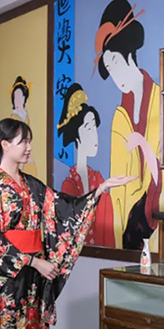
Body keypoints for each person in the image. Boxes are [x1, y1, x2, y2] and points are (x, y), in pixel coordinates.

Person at [0, 118, 134, 329]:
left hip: (35, 276)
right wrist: (33, 262)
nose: (29, 147)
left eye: (30, 141)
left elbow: (65, 208)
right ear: (5, 145)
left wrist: (100, 189)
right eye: (23, 142)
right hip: (9, 276)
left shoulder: (32, 185)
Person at [94, 0, 163, 250]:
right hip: (127, 226)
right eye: (109, 70)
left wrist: (143, 144)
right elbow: (117, 188)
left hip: (155, 216)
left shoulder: (159, 99)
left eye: (114, 63)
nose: (115, 76)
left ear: (129, 53)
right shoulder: (119, 117)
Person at [57, 83, 115, 247]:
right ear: (76, 135)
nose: (95, 135)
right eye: (88, 128)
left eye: (95, 127)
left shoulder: (99, 179)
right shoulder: (69, 185)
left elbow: (109, 234)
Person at [10, 76, 38, 177]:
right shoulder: (14, 117)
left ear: (24, 98)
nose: (17, 101)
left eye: (19, 97)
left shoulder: (25, 115)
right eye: (15, 98)